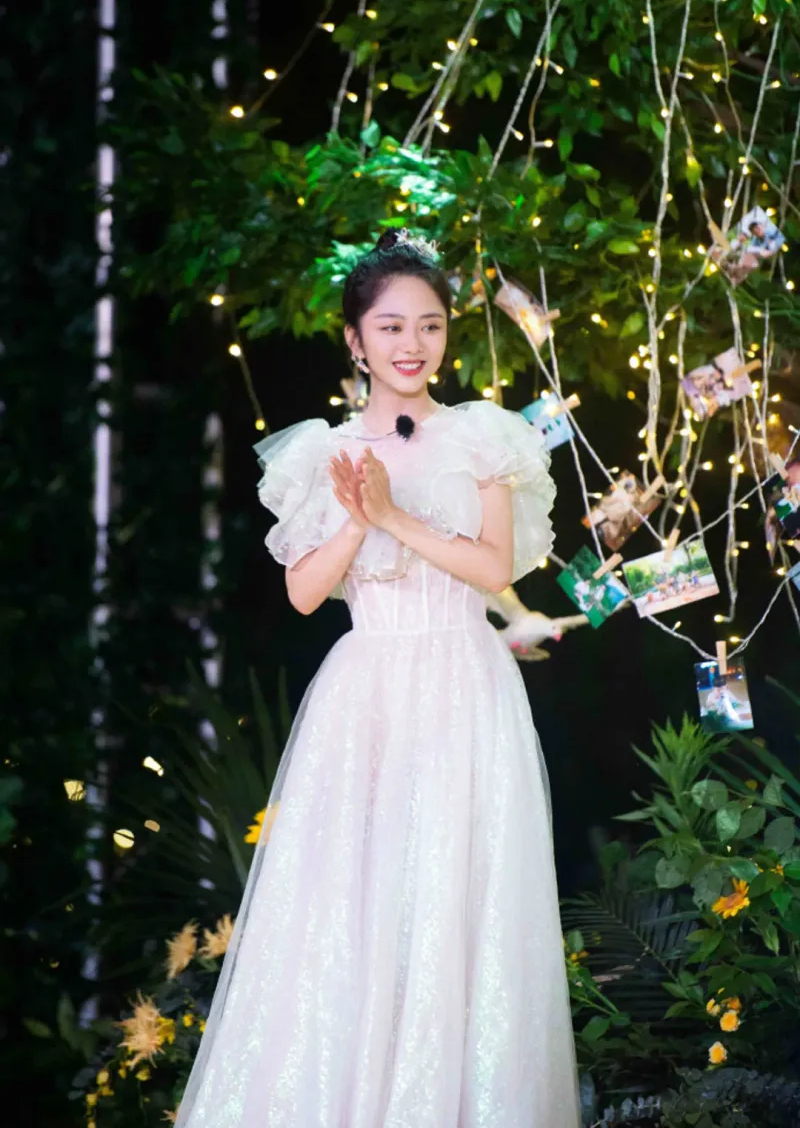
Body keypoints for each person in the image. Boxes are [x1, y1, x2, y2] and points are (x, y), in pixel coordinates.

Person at [174, 228, 581, 1127]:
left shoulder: (483, 436)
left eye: (429, 325)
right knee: (350, 900)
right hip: (367, 692)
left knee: (460, 896)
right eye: (391, 326)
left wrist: (395, 514)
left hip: (465, 679)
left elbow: (493, 566)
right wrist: (359, 521)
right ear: (355, 339)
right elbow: (303, 592)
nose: (412, 343)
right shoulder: (322, 450)